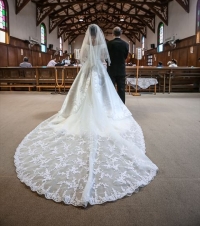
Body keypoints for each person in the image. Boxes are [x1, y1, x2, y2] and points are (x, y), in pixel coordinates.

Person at [14, 24, 158, 207]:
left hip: (86, 72)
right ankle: (103, 113)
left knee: (82, 94)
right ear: (98, 34)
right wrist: (100, 62)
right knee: (102, 95)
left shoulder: (86, 46)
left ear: (87, 35)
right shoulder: (102, 46)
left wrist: (88, 63)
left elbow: (82, 60)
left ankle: (80, 112)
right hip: (98, 72)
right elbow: (106, 60)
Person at [107, 26, 129, 103]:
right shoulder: (126, 44)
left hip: (111, 69)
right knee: (121, 89)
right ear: (121, 33)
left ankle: (112, 105)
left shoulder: (109, 44)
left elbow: (107, 57)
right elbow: (125, 56)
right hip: (121, 69)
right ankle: (122, 105)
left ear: (113, 34)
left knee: (111, 88)